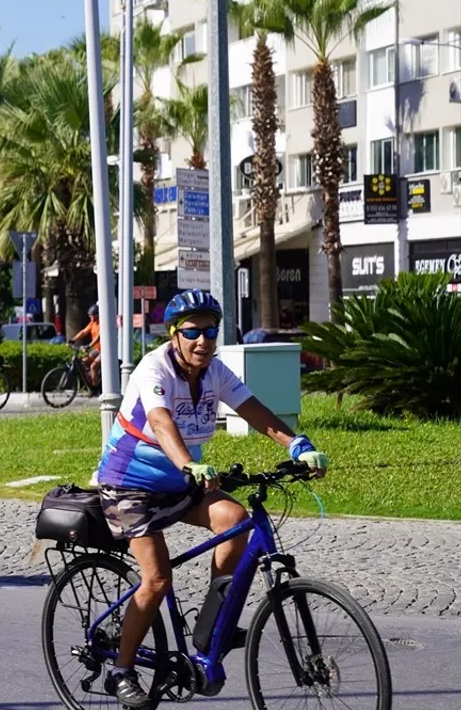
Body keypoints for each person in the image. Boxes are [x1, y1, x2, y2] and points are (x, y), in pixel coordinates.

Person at [95, 289, 330, 709]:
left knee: (235, 519)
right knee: (157, 579)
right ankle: (121, 671)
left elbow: (253, 409)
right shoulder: (154, 369)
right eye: (192, 332)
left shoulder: (215, 373)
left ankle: (211, 626)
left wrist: (297, 443)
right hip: (129, 485)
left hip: (180, 482)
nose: (202, 340)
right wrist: (188, 462)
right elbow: (159, 420)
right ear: (173, 335)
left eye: (210, 331)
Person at [71, 304, 103, 388]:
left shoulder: (102, 324)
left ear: (97, 315)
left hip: (105, 351)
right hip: (97, 349)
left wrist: (89, 346)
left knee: (93, 366)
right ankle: (92, 377)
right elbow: (84, 332)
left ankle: (95, 388)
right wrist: (73, 340)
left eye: (91, 315)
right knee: (84, 360)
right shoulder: (92, 323)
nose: (89, 317)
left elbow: (98, 338)